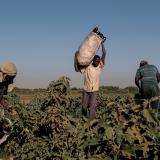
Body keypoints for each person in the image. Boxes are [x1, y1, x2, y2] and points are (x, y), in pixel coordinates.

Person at [74, 43, 107, 121]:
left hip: (94, 90)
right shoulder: (87, 67)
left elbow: (104, 53)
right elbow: (76, 69)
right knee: (84, 106)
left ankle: (91, 121)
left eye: (98, 61)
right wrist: (75, 58)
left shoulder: (100, 66)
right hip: (86, 89)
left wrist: (101, 43)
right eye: (96, 61)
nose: (97, 62)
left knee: (93, 105)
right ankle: (83, 119)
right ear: (93, 61)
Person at [0, 62, 17, 145]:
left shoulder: (4, 84)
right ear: (5, 75)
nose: (12, 79)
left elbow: (0, 98)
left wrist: (8, 108)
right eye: (11, 77)